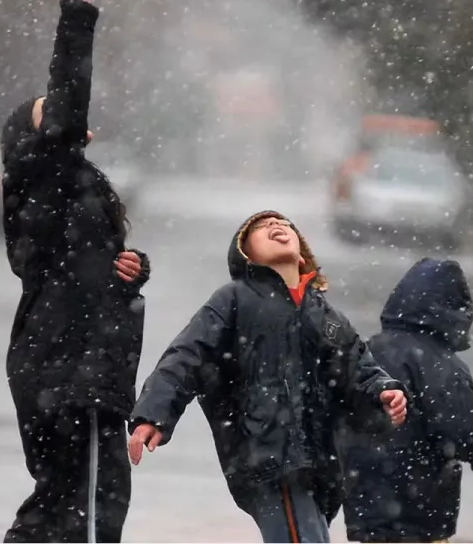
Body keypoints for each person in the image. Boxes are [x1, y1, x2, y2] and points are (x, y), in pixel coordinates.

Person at [128, 211, 408, 544]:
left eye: (285, 225)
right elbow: (187, 355)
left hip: (319, 462)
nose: (276, 226)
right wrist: (155, 413)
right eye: (261, 228)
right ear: (245, 255)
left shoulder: (325, 315)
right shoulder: (235, 298)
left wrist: (383, 393)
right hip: (267, 453)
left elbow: (358, 370)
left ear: (302, 255)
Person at [0, 0, 150, 541]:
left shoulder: (70, 190)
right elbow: (65, 107)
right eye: (45, 111)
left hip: (70, 368)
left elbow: (96, 265)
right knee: (89, 514)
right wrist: (79, 8)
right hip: (70, 371)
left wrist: (134, 267)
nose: (59, 114)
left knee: (59, 508)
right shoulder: (44, 176)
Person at [338, 258, 473, 543]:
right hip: (417, 505)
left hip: (366, 500)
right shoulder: (438, 363)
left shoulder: (369, 350)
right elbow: (466, 427)